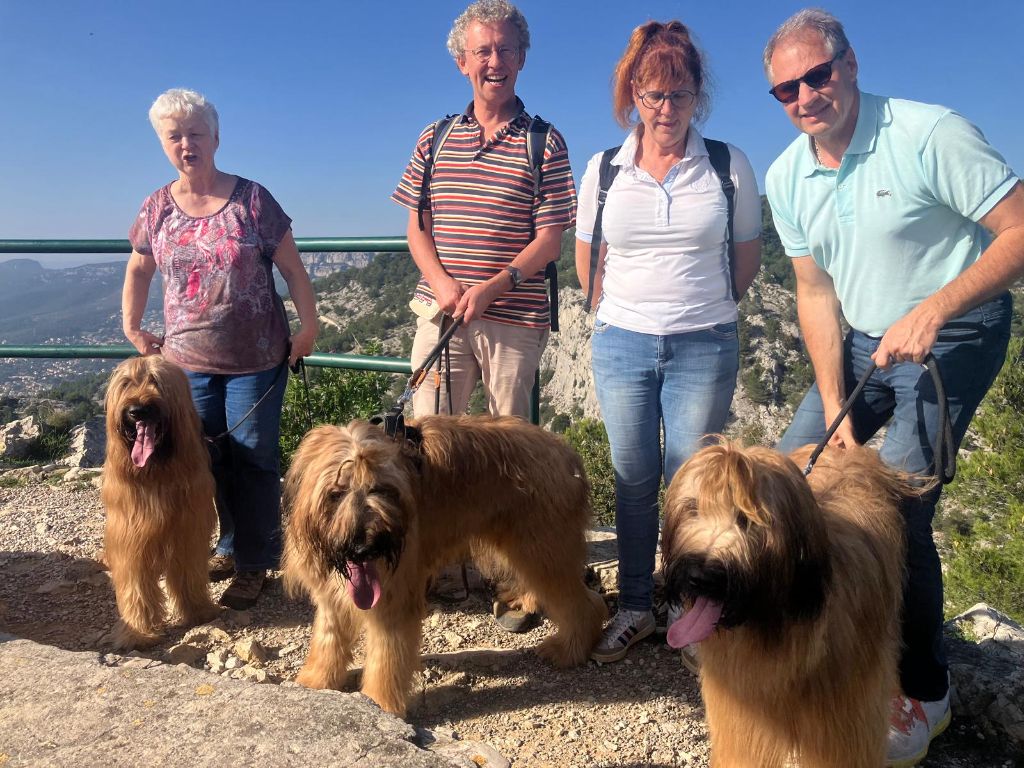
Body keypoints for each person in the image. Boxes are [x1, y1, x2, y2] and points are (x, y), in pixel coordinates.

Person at [763, 10, 1024, 766]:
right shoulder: (787, 176)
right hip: (861, 341)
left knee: (901, 505)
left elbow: (1018, 228)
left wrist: (938, 307)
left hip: (958, 332)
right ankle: (804, 642)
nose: (806, 96)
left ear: (849, 62)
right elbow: (814, 295)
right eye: (786, 89)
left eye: (817, 74)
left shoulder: (928, 131)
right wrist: (836, 403)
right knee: (789, 477)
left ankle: (926, 690)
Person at [576, 20, 762, 664]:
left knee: (691, 485)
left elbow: (745, 260)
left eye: (677, 95)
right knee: (632, 478)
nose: (664, 110)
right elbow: (586, 264)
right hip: (622, 341)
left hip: (703, 342)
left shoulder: (726, 165)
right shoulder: (603, 170)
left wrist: (698, 310)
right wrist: (624, 313)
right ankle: (634, 606)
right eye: (652, 95)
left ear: (697, 97)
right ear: (632, 95)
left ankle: (689, 607)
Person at [391, 0, 576, 633]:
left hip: (515, 317)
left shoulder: (544, 139)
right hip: (441, 312)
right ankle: (436, 564)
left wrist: (498, 284)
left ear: (522, 58)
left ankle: (518, 580)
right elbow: (416, 226)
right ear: (462, 60)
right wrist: (443, 283)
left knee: (511, 451)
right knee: (426, 441)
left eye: (505, 49)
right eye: (482, 51)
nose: (493, 62)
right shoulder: (434, 136)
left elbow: (552, 235)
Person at [123, 88, 318, 611]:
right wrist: (132, 327)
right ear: (163, 144)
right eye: (174, 136)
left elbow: (293, 271)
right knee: (204, 460)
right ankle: (230, 546)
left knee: (253, 460)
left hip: (256, 359)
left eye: (195, 134)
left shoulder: (253, 199)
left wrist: (308, 327)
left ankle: (256, 563)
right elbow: (139, 268)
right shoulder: (156, 207)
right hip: (183, 365)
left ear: (215, 138)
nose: (186, 144)